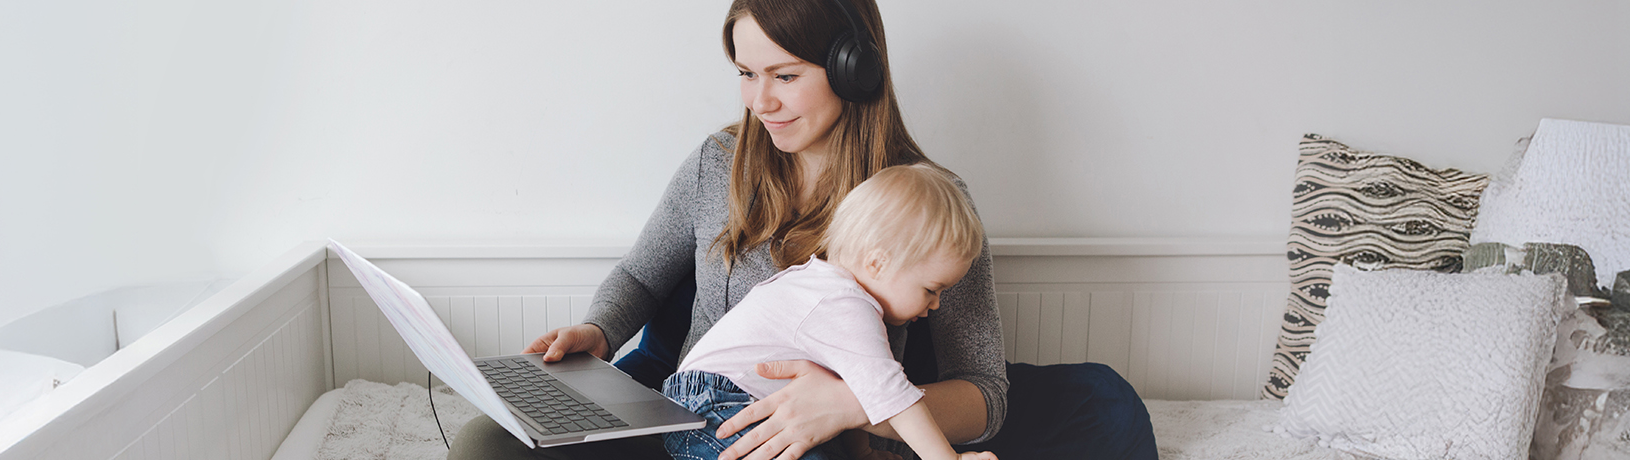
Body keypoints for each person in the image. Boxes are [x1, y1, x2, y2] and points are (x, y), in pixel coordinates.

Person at [447, 0, 1155, 459]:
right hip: (682, 415)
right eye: (746, 74)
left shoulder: (928, 212)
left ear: (853, 69)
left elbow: (985, 393)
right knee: (486, 444)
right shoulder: (718, 162)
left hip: (818, 442)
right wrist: (598, 330)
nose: (760, 102)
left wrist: (852, 406)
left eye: (784, 76)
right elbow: (640, 276)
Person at [663, 164, 997, 460]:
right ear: (878, 263)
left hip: (704, 401)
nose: (936, 304)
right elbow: (890, 394)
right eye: (931, 289)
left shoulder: (827, 289)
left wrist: (862, 453)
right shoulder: (846, 306)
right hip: (714, 404)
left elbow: (852, 388)